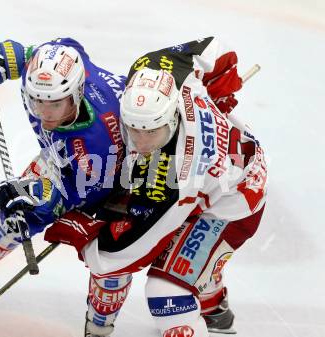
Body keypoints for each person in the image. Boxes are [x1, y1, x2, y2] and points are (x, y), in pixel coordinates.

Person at [44, 37, 267, 337]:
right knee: (187, 254)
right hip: (229, 160)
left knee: (166, 293)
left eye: (152, 133)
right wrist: (218, 78)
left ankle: (203, 300)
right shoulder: (152, 69)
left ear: (172, 119)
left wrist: (86, 235)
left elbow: (120, 255)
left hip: (234, 201)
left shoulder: (178, 177)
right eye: (133, 129)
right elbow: (209, 49)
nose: (141, 142)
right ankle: (212, 303)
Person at [0, 37, 126, 314]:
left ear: (76, 94)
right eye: (36, 101)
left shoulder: (96, 142)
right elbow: (35, 53)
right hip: (66, 163)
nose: (43, 113)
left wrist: (32, 196)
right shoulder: (61, 70)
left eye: (54, 105)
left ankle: (99, 328)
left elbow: (71, 196)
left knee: (112, 263)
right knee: (11, 222)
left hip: (121, 183)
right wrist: (1, 58)